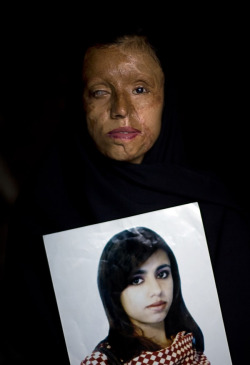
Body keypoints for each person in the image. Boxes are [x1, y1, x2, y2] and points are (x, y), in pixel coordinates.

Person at [1, 28, 249, 365]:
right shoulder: (42, 213)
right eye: (100, 92)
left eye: (140, 89)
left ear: (166, 97)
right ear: (81, 103)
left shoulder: (217, 209)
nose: (121, 108)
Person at [81, 226, 211, 365]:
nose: (156, 290)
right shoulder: (101, 362)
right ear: (115, 292)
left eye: (162, 274)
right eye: (137, 280)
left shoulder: (187, 342)